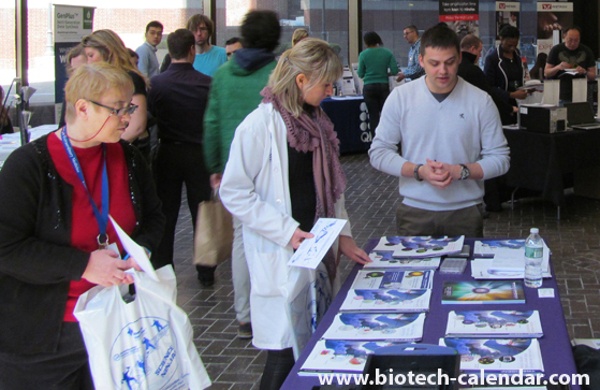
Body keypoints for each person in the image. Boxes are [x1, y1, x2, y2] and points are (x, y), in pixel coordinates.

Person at [0, 62, 164, 388]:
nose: (127, 118)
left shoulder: (129, 158)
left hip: (116, 323)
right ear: (83, 108)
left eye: (129, 107)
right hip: (46, 337)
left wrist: (139, 250)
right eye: (117, 109)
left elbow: (155, 218)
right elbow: (7, 248)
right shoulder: (29, 166)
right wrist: (84, 265)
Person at [219, 38, 370, 390]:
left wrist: (343, 235)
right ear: (301, 80)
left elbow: (332, 189)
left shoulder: (317, 120)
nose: (331, 90)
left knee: (310, 346)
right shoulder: (260, 125)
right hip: (283, 253)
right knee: (283, 353)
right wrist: (285, 231)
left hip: (315, 248)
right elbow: (234, 191)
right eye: (326, 83)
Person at [369, 24, 510, 237]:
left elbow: (500, 159)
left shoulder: (480, 101)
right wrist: (418, 171)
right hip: (415, 211)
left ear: (460, 59)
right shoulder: (401, 98)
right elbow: (379, 152)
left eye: (450, 62)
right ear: (421, 61)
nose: (442, 71)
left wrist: (460, 171)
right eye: (434, 63)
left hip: (465, 212)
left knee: (463, 269)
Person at [203, 9, 281, 338]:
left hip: (234, 170)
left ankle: (244, 314)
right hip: (274, 166)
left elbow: (211, 123)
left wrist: (215, 168)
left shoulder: (222, 74)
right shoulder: (280, 73)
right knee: (277, 232)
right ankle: (275, 304)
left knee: (241, 239)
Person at [147, 29, 212, 271]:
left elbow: (148, 119)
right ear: (192, 50)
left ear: (170, 51)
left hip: (167, 153)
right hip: (199, 155)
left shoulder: (155, 84)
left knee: (165, 211)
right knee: (202, 212)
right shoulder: (207, 84)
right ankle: (206, 269)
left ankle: (164, 265)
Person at [82, 29, 150, 160]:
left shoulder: (130, 78)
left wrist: (106, 150)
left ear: (107, 52)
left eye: (91, 55)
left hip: (128, 150)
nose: (88, 62)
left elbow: (137, 125)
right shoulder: (102, 80)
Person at [458, 34, 515, 125]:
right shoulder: (473, 71)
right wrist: (509, 109)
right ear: (473, 49)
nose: (480, 55)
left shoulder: (454, 67)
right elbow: (488, 94)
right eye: (479, 51)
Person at [483, 24, 529, 118]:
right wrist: (510, 94)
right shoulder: (492, 59)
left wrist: (529, 87)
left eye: (515, 45)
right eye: (509, 45)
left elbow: (523, 76)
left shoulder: (518, 56)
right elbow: (488, 87)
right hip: (501, 106)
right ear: (501, 39)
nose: (512, 48)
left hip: (519, 103)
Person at [357, 31, 399, 132]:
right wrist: (385, 74)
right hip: (383, 86)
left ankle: (375, 142)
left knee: (373, 116)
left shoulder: (363, 54)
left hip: (369, 87)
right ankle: (389, 139)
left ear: (366, 42)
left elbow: (360, 73)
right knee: (386, 115)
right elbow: (395, 71)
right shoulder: (387, 53)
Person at [544, 26, 596, 102]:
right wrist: (558, 67)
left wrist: (584, 72)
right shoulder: (556, 50)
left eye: (576, 40)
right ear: (564, 36)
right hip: (560, 93)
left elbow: (593, 75)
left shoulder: (586, 51)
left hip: (581, 93)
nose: (573, 43)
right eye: (570, 40)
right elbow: (546, 73)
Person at [58, 44, 88, 129]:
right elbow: (63, 125)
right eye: (74, 70)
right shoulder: (72, 92)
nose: (77, 75)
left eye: (82, 70)